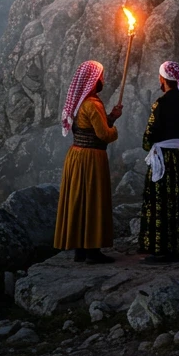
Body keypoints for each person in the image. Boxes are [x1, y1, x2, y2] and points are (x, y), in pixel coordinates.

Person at [54, 60, 122, 263]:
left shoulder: (80, 102)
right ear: (93, 80)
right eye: (100, 76)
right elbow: (103, 135)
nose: (103, 79)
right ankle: (93, 250)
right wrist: (114, 130)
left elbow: (88, 127)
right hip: (91, 159)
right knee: (92, 200)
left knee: (78, 200)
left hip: (76, 156)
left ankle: (80, 250)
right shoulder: (92, 104)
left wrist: (111, 117)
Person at [139, 61, 179, 264]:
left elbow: (149, 136)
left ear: (163, 79)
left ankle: (160, 250)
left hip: (166, 159)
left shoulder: (161, 103)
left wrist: (147, 145)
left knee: (160, 202)